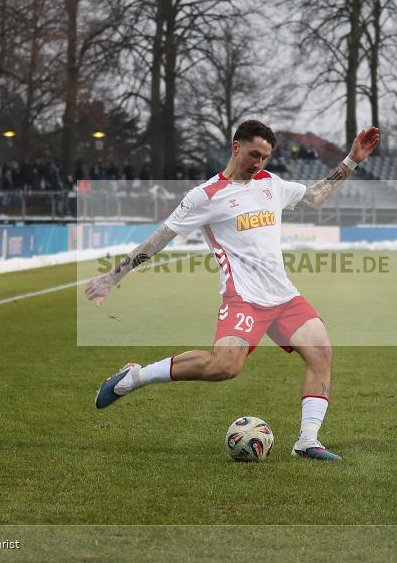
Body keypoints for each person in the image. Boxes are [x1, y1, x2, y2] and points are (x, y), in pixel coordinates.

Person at [85, 120, 380, 461]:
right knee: (224, 367)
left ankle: (307, 441)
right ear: (235, 147)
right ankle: (134, 378)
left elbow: (315, 197)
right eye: (255, 154)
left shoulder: (271, 184)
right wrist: (114, 277)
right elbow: (161, 238)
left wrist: (351, 160)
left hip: (283, 296)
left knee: (321, 351)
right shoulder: (205, 196)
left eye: (266, 157)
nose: (259, 163)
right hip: (244, 300)